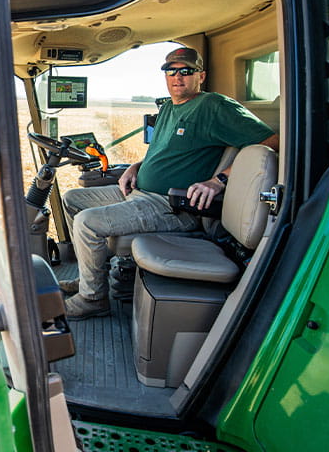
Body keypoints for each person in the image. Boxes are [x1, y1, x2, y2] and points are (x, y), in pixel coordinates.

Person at [61, 47, 279, 320]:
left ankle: (93, 298)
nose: (178, 77)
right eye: (171, 71)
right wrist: (135, 167)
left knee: (87, 222)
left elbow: (272, 142)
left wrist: (218, 180)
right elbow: (161, 152)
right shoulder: (166, 109)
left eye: (186, 71)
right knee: (72, 199)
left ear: (201, 75)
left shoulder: (214, 106)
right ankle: (89, 278)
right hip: (139, 191)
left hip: (172, 205)